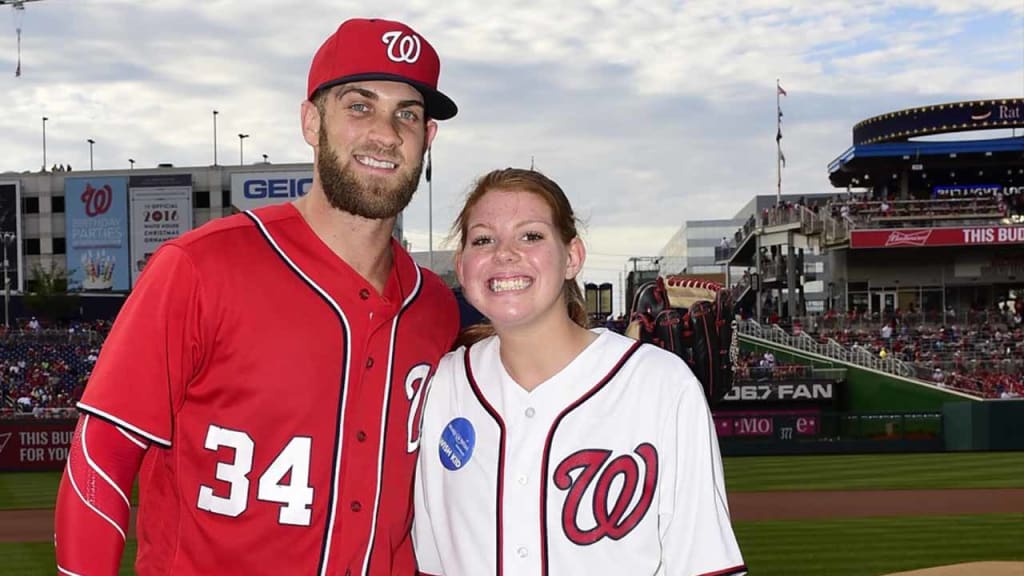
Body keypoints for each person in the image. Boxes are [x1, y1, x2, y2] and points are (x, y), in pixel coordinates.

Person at [54, 17, 460, 576]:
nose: (386, 134)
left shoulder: (434, 307)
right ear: (311, 122)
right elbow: (102, 456)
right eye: (359, 106)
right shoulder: (200, 267)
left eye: (407, 114)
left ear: (428, 138)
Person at [413, 169, 746, 575]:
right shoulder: (441, 388)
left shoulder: (661, 384)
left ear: (572, 257)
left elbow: (704, 564)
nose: (504, 253)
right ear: (463, 268)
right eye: (483, 239)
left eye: (530, 235)